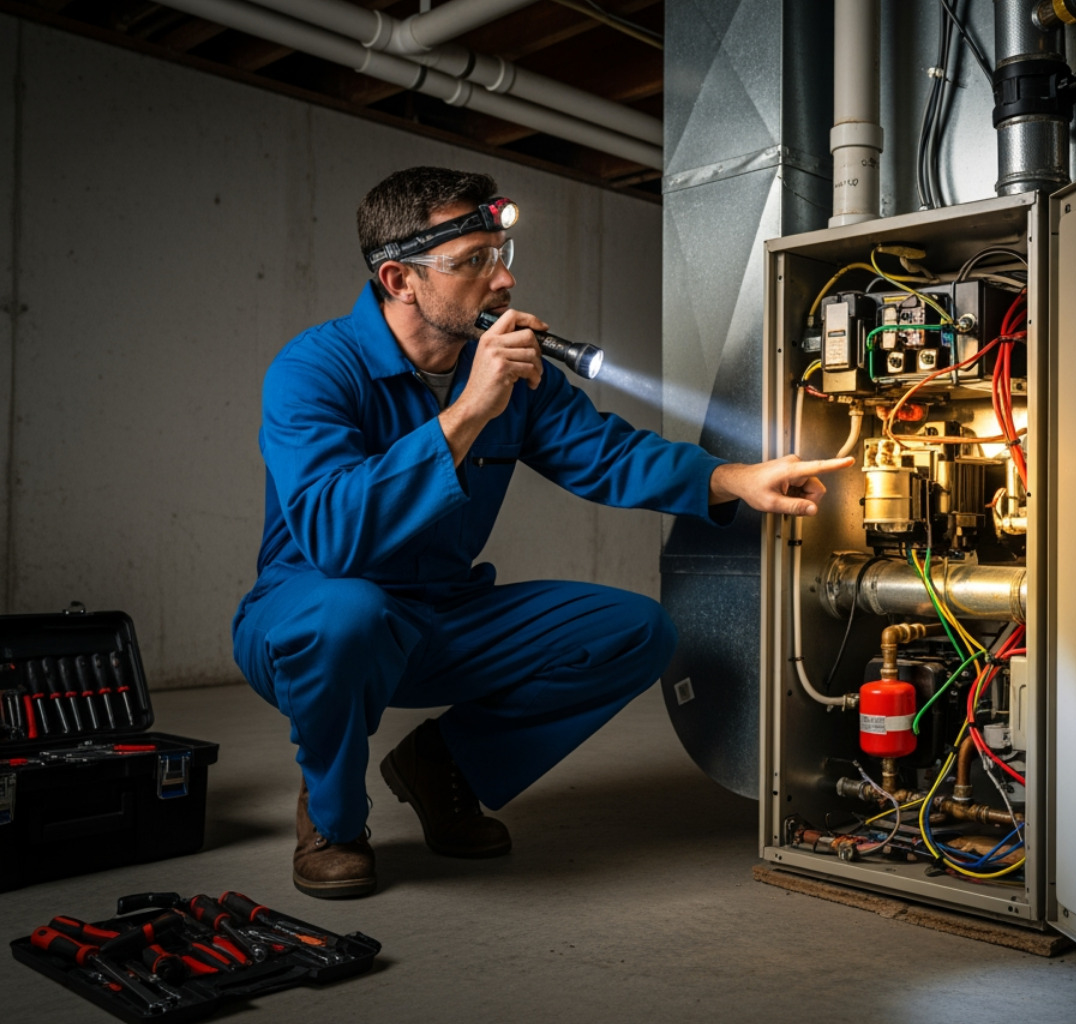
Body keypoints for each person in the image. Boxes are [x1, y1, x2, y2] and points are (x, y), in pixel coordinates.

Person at [232, 166, 850, 898]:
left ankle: (446, 769)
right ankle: (332, 822)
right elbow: (336, 538)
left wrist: (731, 480)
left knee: (635, 631)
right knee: (349, 613)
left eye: (500, 255)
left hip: (437, 613)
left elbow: (606, 453)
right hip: (312, 614)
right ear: (399, 280)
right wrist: (469, 413)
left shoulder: (511, 372)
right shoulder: (314, 370)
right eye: (472, 263)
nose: (501, 282)